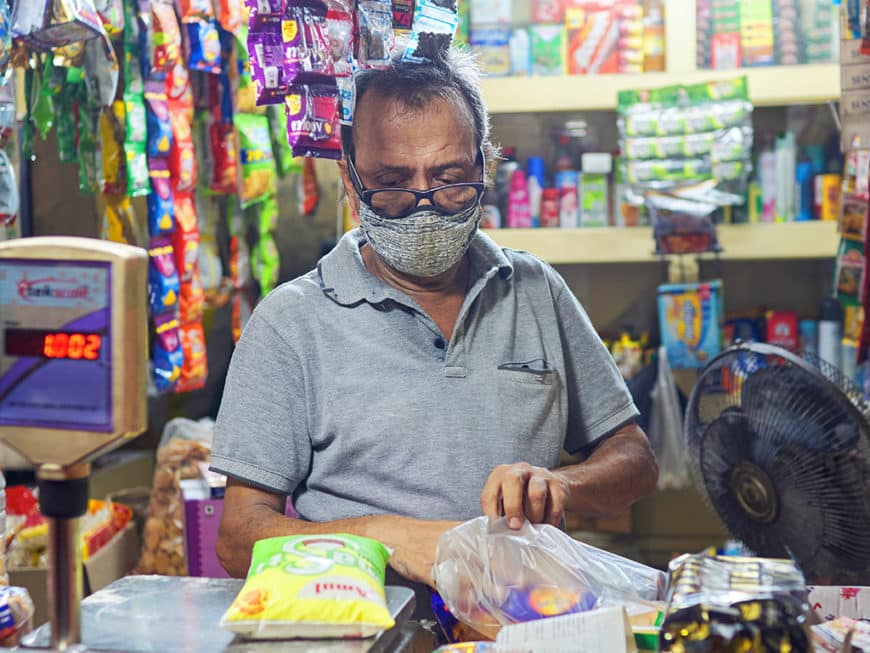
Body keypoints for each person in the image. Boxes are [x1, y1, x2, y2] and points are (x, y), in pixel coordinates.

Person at [211, 47, 658, 595]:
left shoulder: (536, 290)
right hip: (366, 626)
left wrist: (561, 485)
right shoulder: (290, 322)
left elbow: (635, 459)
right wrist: (384, 538)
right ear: (350, 181)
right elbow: (238, 540)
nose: (424, 206)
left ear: (486, 166)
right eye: (392, 182)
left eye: (449, 178)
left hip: (520, 620)